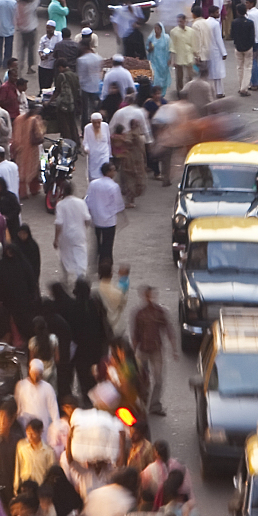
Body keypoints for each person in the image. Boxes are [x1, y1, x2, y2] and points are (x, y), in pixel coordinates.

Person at [130, 285, 176, 417]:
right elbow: (135, 335)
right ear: (143, 296)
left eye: (152, 295)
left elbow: (168, 329)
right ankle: (141, 405)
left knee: (158, 380)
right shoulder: (139, 314)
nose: (150, 298)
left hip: (156, 351)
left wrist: (174, 349)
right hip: (143, 351)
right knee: (142, 379)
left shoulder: (159, 312)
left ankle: (155, 405)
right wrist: (133, 352)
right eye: (148, 296)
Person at [84, 161, 125, 271]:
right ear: (109, 172)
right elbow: (118, 204)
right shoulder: (114, 186)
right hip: (109, 221)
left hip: (96, 219)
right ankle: (105, 266)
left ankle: (96, 262)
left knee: (97, 242)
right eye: (113, 170)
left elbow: (88, 200)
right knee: (108, 245)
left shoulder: (94, 184)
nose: (115, 172)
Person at [53, 182, 92, 285]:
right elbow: (87, 219)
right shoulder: (81, 203)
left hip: (65, 235)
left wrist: (56, 238)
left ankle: (66, 277)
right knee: (80, 255)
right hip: (79, 234)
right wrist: (83, 228)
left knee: (65, 256)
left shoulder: (60, 205)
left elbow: (59, 223)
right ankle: (81, 277)